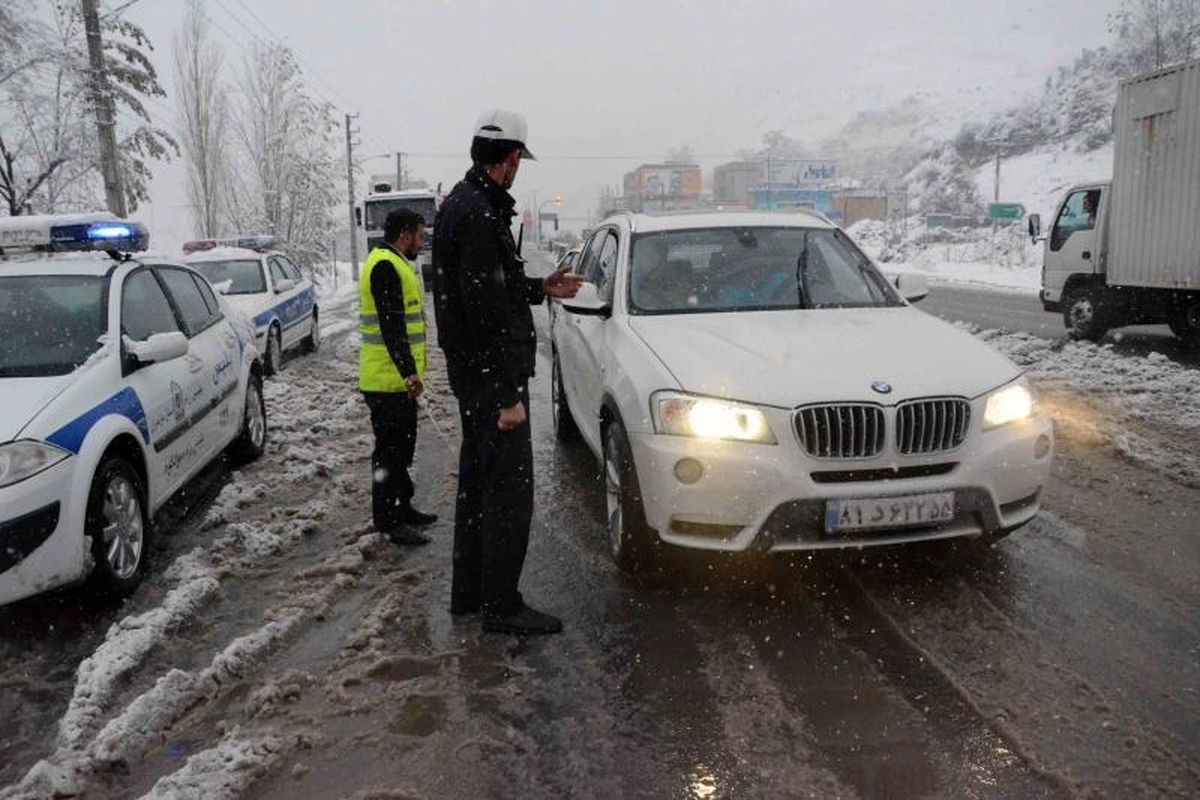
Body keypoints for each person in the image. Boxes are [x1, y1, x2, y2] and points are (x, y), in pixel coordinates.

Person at [432, 109, 583, 636]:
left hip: (476, 379)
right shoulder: (477, 214)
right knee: (507, 497)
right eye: (520, 161)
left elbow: (491, 290)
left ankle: (469, 597)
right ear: (511, 159)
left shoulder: (467, 204)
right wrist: (504, 395)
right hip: (490, 383)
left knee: (477, 490)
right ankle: (501, 605)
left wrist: (541, 287)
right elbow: (483, 313)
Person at [359, 208, 438, 546]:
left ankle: (402, 506)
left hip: (396, 381)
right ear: (404, 235)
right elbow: (392, 327)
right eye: (420, 235)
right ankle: (388, 520)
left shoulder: (396, 262)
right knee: (390, 453)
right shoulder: (384, 266)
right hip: (386, 380)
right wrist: (408, 373)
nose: (422, 242)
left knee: (402, 449)